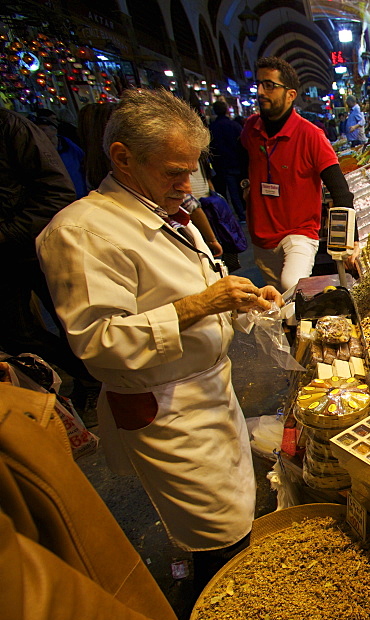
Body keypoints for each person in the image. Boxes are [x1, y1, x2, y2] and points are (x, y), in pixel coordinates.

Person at [36, 88, 282, 588]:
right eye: (174, 171)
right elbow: (98, 340)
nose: (186, 183)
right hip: (167, 407)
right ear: (122, 158)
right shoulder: (82, 231)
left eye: (191, 169)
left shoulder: (162, 211)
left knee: (234, 512)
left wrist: (242, 304)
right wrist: (203, 303)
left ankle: (233, 595)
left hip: (211, 392)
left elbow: (192, 290)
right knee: (216, 530)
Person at [0, 383, 234, 620]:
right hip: (165, 402)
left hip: (206, 393)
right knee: (208, 520)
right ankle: (213, 593)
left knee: (224, 511)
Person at [0, 107, 96, 407]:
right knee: (16, 332)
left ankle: (95, 379)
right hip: (12, 254)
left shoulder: (10, 127)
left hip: (38, 247)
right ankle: (88, 378)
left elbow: (56, 192)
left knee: (74, 324)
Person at [241, 56, 357, 291]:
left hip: (300, 232)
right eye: (259, 84)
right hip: (262, 236)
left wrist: (350, 240)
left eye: (270, 85)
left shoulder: (311, 135)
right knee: (278, 300)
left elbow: (340, 191)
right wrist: (246, 188)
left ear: (291, 94)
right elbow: (242, 163)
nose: (262, 91)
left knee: (291, 285)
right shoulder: (250, 129)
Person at [209, 100, 247, 221]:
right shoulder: (234, 126)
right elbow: (243, 145)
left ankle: (225, 217)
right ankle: (241, 215)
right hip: (235, 163)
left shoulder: (212, 128)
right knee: (236, 191)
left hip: (220, 165)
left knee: (222, 193)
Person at [35, 116, 88, 198]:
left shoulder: (68, 145)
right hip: (59, 196)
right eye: (37, 131)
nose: (40, 134)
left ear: (54, 130)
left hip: (80, 192)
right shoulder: (38, 150)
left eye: (43, 130)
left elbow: (82, 160)